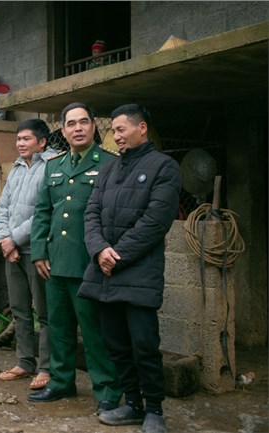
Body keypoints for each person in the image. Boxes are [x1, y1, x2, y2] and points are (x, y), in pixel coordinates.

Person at [78, 104, 180, 433]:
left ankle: (154, 410)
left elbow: (156, 221)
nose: (116, 136)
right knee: (116, 345)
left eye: (121, 129)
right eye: (114, 131)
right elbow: (90, 213)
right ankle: (133, 404)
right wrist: (98, 249)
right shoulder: (107, 170)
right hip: (104, 270)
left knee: (144, 345)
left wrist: (116, 254)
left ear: (142, 128)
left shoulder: (164, 167)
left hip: (137, 272)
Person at [28, 102, 123, 414]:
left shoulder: (109, 163)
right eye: (71, 123)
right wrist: (40, 251)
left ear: (95, 127)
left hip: (90, 263)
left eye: (84, 122)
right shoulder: (53, 166)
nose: (78, 128)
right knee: (58, 327)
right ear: (63, 130)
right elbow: (43, 212)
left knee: (95, 330)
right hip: (55, 262)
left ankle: (108, 388)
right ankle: (61, 381)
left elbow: (114, 215)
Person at [0, 119, 57, 390]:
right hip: (13, 252)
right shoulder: (17, 168)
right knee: (20, 309)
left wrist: (13, 239)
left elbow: (45, 212)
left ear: (42, 142)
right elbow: (3, 206)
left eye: (26, 139)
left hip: (37, 251)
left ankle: (46, 367)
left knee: (44, 312)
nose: (20, 143)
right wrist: (3, 239)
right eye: (18, 139)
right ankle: (24, 362)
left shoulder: (52, 166)